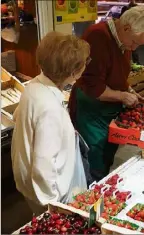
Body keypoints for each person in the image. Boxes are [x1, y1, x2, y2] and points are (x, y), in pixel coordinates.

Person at [69, 6, 144, 181]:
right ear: (126, 27)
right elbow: (92, 84)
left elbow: (117, 74)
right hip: (91, 109)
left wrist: (129, 90)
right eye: (134, 42)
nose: (133, 48)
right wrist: (122, 96)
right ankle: (91, 194)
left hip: (109, 108)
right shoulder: (97, 36)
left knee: (108, 153)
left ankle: (102, 183)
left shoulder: (123, 40)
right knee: (94, 156)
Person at [11, 31, 90, 215]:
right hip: (48, 195)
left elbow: (18, 117)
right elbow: (43, 164)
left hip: (27, 184)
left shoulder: (33, 86)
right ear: (73, 73)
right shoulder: (50, 109)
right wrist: (54, 206)